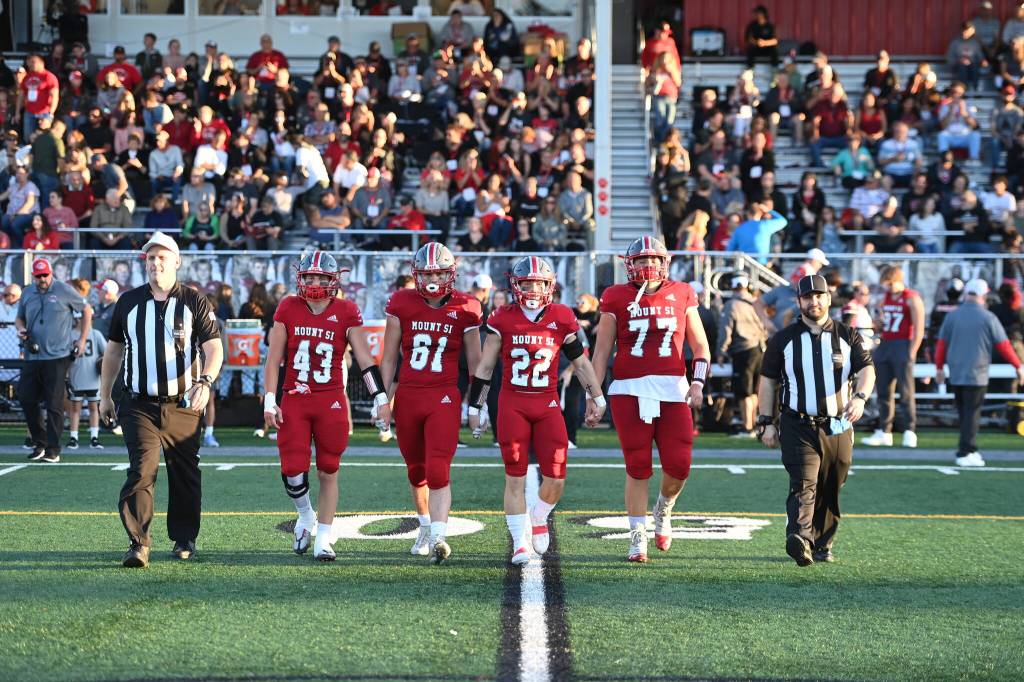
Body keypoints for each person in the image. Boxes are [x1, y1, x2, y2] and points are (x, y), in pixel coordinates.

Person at [467, 256, 606, 566]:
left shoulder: (562, 316)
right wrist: (476, 404)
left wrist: (597, 396)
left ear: (549, 286)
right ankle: (519, 542)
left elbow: (581, 362)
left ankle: (539, 516)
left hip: (547, 404)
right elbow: (485, 367)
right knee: (514, 476)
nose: (532, 289)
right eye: (526, 283)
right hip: (513, 404)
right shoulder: (502, 317)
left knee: (556, 478)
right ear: (516, 286)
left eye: (538, 283)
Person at [98, 232, 224, 568]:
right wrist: (104, 395)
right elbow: (114, 351)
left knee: (185, 473)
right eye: (151, 258)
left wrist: (205, 381)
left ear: (176, 261)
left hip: (183, 404)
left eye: (162, 257)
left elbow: (214, 348)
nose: (156, 263)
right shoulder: (128, 302)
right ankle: (138, 543)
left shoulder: (194, 301)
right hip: (139, 404)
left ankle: (184, 538)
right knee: (142, 470)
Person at [262, 251, 392, 561]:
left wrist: (380, 398)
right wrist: (269, 398)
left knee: (329, 470)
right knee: (292, 470)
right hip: (295, 397)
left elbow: (365, 360)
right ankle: (305, 513)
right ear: (300, 278)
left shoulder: (346, 311)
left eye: (321, 278)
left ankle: (323, 537)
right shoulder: (288, 307)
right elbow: (273, 359)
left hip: (330, 400)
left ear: (333, 281)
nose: (315, 283)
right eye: (310, 277)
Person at [590, 237, 710, 562]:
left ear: (664, 262)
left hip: (673, 389)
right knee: (637, 465)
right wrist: (593, 394)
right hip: (628, 389)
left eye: (653, 259)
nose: (648, 265)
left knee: (679, 465)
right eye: (641, 260)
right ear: (630, 265)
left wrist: (697, 383)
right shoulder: (615, 295)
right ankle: (637, 536)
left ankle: (664, 508)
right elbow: (602, 352)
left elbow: (700, 346)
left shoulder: (682, 291)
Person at [756, 274, 876, 566]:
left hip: (838, 424)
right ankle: (800, 537)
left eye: (819, 296)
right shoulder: (783, 339)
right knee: (804, 481)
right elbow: (768, 381)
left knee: (831, 484)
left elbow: (867, 370)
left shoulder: (848, 335)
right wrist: (766, 421)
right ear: (799, 301)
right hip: (797, 423)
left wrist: (860, 397)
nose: (814, 301)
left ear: (828, 298)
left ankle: (822, 543)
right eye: (808, 297)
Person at [380, 243, 483, 564]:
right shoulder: (401, 302)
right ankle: (425, 525)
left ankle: (439, 535)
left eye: (439, 273)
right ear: (417, 275)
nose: (433, 279)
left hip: (444, 396)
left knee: (438, 468)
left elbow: (477, 363)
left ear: (450, 274)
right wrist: (381, 399)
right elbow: (389, 357)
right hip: (409, 395)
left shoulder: (467, 306)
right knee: (416, 469)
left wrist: (477, 406)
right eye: (427, 274)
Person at [935, 279, 1024, 467]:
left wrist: (939, 368)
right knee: (972, 413)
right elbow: (1004, 345)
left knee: (964, 413)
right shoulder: (988, 317)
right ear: (983, 295)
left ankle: (969, 449)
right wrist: (1018, 366)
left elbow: (941, 344)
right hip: (977, 372)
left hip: (956, 372)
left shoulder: (952, 316)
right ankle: (965, 451)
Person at [16, 258, 92, 463]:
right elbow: (19, 317)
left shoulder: (64, 289)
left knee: (54, 403)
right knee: (26, 398)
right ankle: (40, 442)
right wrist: (20, 329)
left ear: (51, 273)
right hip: (32, 354)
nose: (42, 279)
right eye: (38, 276)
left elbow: (86, 309)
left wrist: (82, 339)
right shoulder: (27, 292)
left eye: (45, 275)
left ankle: (53, 449)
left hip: (58, 356)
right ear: (33, 276)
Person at [862, 266, 924, 449]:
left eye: (890, 284)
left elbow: (919, 328)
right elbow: (880, 323)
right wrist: (878, 322)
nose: (887, 288)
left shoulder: (911, 298)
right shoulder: (884, 299)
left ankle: (909, 431)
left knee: (906, 392)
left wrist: (912, 352)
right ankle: (884, 430)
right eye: (885, 284)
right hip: (886, 343)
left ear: (898, 280)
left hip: (903, 344)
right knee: (883, 391)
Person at [717, 273, 767, 438]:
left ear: (732, 288)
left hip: (743, 350)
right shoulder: (756, 303)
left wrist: (721, 351)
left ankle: (747, 428)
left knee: (744, 392)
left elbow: (725, 330)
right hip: (760, 349)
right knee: (753, 392)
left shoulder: (731, 305)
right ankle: (753, 425)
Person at [66, 305, 107, 450]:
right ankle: (74, 437)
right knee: (75, 408)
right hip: (76, 376)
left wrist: (101, 362)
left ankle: (94, 437)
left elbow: (106, 353)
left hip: (93, 377)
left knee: (93, 408)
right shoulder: (70, 335)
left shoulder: (95, 334)